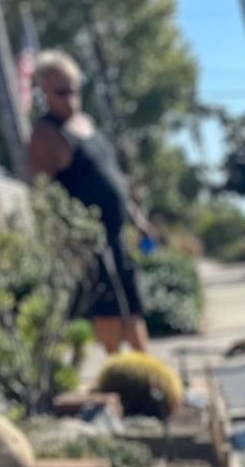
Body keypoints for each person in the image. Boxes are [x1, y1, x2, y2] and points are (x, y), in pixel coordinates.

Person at [28, 49, 153, 354]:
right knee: (108, 310)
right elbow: (46, 196)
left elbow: (116, 180)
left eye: (73, 89)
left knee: (132, 304)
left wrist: (137, 219)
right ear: (44, 92)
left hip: (118, 234)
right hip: (89, 240)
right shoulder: (46, 135)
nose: (69, 98)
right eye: (60, 92)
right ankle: (118, 371)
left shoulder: (89, 124)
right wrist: (69, 245)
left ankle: (148, 373)